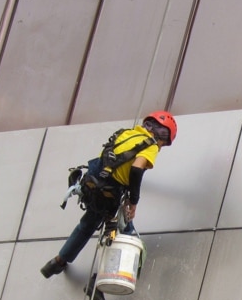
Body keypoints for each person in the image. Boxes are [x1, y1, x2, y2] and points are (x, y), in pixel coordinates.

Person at [40, 111, 177, 282]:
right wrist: (133, 201)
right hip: (111, 194)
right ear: (162, 134)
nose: (162, 147)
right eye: (164, 143)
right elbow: (136, 169)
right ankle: (99, 284)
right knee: (127, 238)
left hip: (92, 187)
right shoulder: (150, 145)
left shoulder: (126, 134)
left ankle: (57, 262)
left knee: (87, 225)